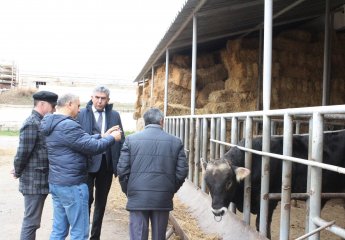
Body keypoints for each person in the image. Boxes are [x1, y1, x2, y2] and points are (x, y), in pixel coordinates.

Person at [40, 93, 122, 240]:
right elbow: (92, 147)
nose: (79, 110)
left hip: (57, 183)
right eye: (78, 106)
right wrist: (111, 138)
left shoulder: (52, 123)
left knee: (58, 231)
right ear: (69, 104)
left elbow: (80, 141)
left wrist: (102, 136)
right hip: (72, 185)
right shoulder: (68, 125)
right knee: (79, 233)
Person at [117, 108, 188, 240]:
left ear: (144, 122)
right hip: (162, 197)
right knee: (159, 236)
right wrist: (170, 189)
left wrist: (129, 190)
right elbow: (182, 171)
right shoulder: (176, 141)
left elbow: (122, 170)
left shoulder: (131, 140)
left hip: (137, 196)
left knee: (138, 236)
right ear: (162, 121)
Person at [77, 85, 125, 240]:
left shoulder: (115, 115)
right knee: (86, 201)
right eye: (96, 97)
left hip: (106, 164)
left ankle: (95, 237)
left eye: (103, 98)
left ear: (108, 100)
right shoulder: (81, 114)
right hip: (86, 164)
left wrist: (119, 164)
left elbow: (120, 140)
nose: (99, 101)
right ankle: (82, 235)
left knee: (101, 203)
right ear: (91, 98)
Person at [12, 90, 58, 240]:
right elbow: (23, 152)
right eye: (53, 106)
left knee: (33, 222)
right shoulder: (32, 123)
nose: (54, 109)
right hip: (34, 182)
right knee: (31, 222)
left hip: (39, 181)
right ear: (42, 104)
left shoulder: (39, 122)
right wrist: (17, 171)